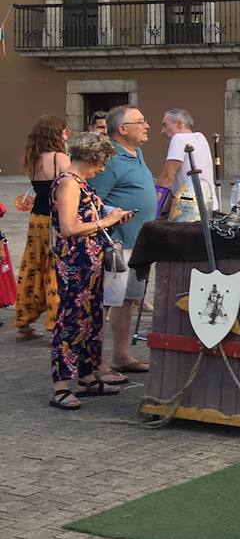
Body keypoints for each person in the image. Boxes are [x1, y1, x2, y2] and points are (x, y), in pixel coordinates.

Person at [49, 133, 135, 410]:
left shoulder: (80, 183)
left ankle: (86, 376)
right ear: (89, 159)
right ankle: (61, 386)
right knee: (72, 320)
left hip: (91, 260)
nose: (102, 169)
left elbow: (87, 217)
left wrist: (112, 215)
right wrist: (107, 220)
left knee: (92, 318)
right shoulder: (68, 183)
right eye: (101, 163)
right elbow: (68, 228)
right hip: (76, 262)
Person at [87, 105, 158, 373]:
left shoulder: (136, 152)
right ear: (123, 129)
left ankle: (121, 355)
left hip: (138, 243)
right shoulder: (110, 159)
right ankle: (94, 361)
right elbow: (91, 200)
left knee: (127, 301)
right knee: (105, 303)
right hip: (116, 244)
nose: (147, 125)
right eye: (140, 122)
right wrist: (112, 215)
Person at [14, 115, 70, 341]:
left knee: (32, 266)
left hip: (36, 218)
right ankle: (56, 326)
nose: (68, 135)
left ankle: (24, 322)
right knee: (55, 268)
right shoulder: (59, 158)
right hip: (53, 220)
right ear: (57, 134)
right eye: (65, 131)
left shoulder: (33, 158)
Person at [156, 109, 219, 213]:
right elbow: (177, 184)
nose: (162, 131)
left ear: (180, 124)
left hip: (189, 209)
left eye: (165, 125)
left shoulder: (178, 138)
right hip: (210, 205)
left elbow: (167, 177)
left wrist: (154, 208)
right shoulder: (200, 137)